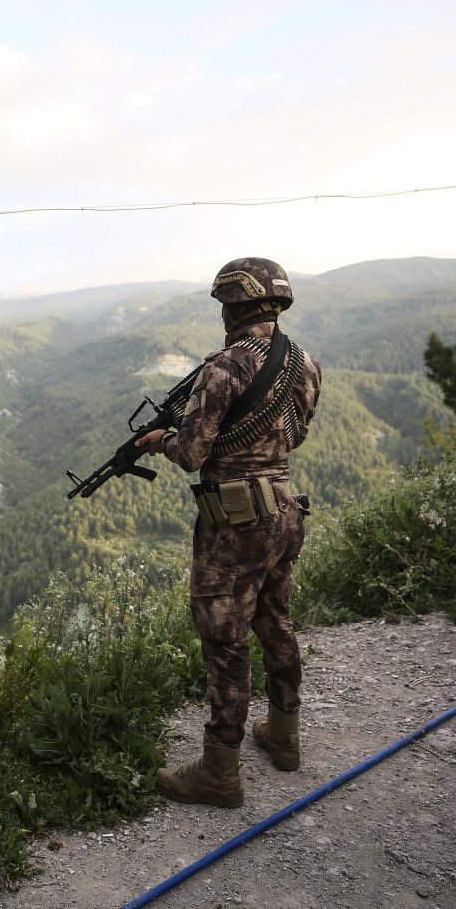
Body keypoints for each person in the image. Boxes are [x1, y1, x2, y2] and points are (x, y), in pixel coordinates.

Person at [133, 257, 322, 807]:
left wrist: (161, 440)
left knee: (224, 641)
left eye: (224, 305)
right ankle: (284, 739)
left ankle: (219, 771)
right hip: (285, 512)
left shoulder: (223, 368)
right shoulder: (306, 364)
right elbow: (296, 436)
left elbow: (192, 455)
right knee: (276, 620)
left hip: (235, 524)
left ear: (234, 306)